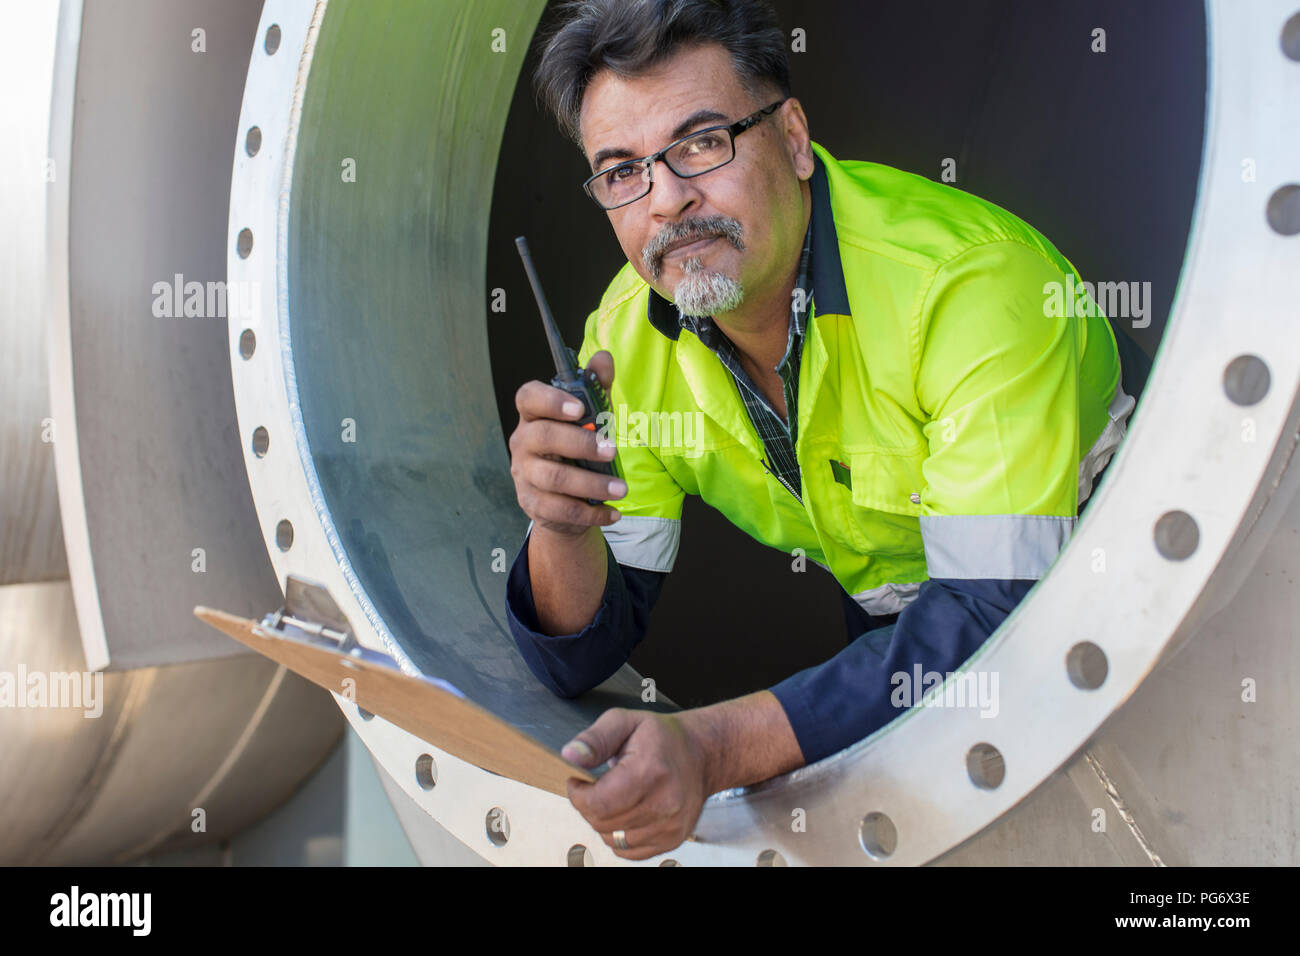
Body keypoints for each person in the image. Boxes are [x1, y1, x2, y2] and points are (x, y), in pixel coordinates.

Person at [504, 0, 1134, 860]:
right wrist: (560, 522)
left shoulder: (967, 284)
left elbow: (995, 616)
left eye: (700, 143)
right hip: (894, 637)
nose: (667, 202)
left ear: (793, 138)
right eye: (622, 172)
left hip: (1113, 596)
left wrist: (712, 748)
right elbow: (585, 649)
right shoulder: (623, 339)